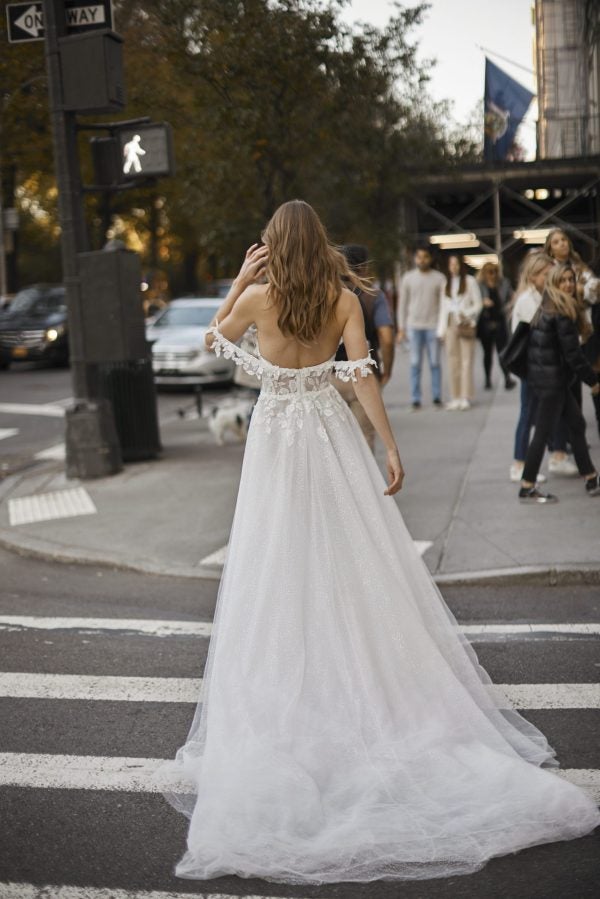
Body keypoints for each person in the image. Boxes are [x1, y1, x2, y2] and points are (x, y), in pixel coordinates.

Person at [157, 201, 599, 884]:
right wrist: (389, 447)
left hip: (275, 446)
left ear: (271, 247)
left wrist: (239, 282)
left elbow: (215, 344)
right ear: (321, 244)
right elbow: (362, 376)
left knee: (276, 569)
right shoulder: (340, 299)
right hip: (332, 441)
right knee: (351, 566)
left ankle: (293, 698)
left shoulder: (254, 297)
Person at [519, 263, 600, 503]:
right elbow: (573, 355)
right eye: (562, 280)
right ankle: (527, 485)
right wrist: (593, 381)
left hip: (551, 380)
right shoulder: (561, 311)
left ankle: (590, 476)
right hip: (552, 382)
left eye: (570, 280)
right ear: (554, 283)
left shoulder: (548, 305)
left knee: (576, 424)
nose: (568, 284)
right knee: (543, 432)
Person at [333, 244, 395, 451]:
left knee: (336, 444)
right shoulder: (373, 296)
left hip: (330, 376)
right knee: (364, 444)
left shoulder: (327, 295)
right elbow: (386, 338)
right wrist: (387, 369)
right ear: (365, 268)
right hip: (363, 375)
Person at [509, 251, 554, 482]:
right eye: (546, 274)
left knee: (536, 414)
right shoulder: (528, 300)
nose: (549, 278)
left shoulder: (540, 296)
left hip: (539, 366)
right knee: (528, 414)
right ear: (534, 275)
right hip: (532, 367)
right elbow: (534, 336)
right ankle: (519, 463)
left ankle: (552, 456)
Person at [397, 245, 445, 410]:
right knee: (415, 363)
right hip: (413, 326)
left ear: (430, 259)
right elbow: (402, 305)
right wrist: (401, 328)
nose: (421, 260)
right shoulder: (408, 278)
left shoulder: (439, 278)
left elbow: (444, 305)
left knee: (435, 362)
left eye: (425, 257)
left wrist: (442, 328)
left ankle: (437, 397)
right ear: (415, 258)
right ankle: (415, 398)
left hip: (433, 326)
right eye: (419, 257)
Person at [437, 254, 482, 410]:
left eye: (456, 264)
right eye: (451, 264)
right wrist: (441, 330)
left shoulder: (470, 281)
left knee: (466, 360)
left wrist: (466, 312)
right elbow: (442, 308)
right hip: (450, 323)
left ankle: (466, 396)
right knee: (452, 360)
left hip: (465, 323)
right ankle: (455, 396)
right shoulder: (445, 284)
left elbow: (478, 304)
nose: (453, 267)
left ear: (461, 266)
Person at [476, 261, 516, 391]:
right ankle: (487, 379)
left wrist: (508, 307)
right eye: (489, 272)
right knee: (487, 353)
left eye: (494, 272)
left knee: (502, 352)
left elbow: (513, 297)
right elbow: (474, 300)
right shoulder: (479, 286)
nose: (492, 275)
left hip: (500, 322)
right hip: (486, 323)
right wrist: (482, 302)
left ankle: (507, 378)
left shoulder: (504, 284)